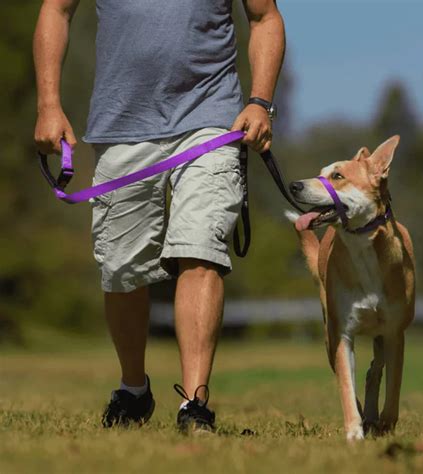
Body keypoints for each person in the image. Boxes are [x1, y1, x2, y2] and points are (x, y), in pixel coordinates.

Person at [33, 0, 285, 432]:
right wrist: (48, 105)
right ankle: (133, 390)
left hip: (211, 118)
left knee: (201, 248)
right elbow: (55, 10)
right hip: (122, 122)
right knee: (122, 268)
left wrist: (260, 101)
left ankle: (194, 403)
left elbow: (265, 17)